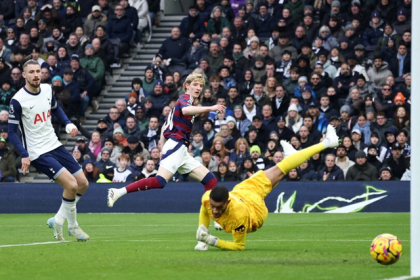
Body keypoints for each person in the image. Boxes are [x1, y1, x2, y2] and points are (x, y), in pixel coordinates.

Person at [194, 125, 339, 251]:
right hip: (248, 203)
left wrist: (212, 241)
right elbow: (204, 208)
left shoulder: (238, 215)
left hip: (254, 207)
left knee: (279, 170)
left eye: (219, 208)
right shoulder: (208, 198)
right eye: (213, 206)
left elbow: (238, 246)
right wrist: (202, 234)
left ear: (227, 203)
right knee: (278, 171)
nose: (214, 210)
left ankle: (326, 143)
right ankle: (292, 158)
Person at [107, 73, 226, 207]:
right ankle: (118, 191)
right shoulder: (185, 98)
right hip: (176, 145)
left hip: (179, 149)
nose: (198, 88)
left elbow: (165, 126)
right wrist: (211, 108)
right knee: (160, 181)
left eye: (200, 85)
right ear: (187, 86)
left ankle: (205, 223)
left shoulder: (180, 104)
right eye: (195, 84)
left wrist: (163, 144)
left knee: (211, 181)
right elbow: (186, 110)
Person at [7, 60, 89, 241]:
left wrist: (67, 122)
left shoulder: (46, 89)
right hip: (38, 152)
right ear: (24, 75)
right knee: (72, 185)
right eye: (31, 72)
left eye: (38, 71)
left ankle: (58, 219)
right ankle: (73, 227)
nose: (36, 75)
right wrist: (24, 154)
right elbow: (11, 133)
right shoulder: (18, 100)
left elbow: (56, 109)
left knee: (83, 183)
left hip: (54, 144)